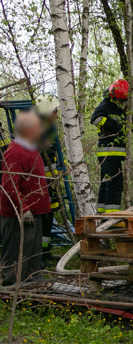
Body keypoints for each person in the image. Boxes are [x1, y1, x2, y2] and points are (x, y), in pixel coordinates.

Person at [1, 111, 50, 285]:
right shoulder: (15, 152)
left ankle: (33, 283)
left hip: (34, 213)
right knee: (16, 253)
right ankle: (10, 290)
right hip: (18, 216)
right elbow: (9, 185)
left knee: (33, 254)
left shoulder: (29, 150)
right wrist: (24, 208)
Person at [90, 79, 128, 213]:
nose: (122, 102)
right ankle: (113, 217)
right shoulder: (105, 105)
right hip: (108, 152)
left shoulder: (117, 107)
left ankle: (102, 212)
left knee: (106, 183)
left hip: (113, 154)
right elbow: (95, 119)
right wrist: (113, 124)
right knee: (115, 184)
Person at [34, 94, 62, 265]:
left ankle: (46, 251)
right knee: (42, 216)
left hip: (50, 181)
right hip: (39, 183)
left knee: (50, 214)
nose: (57, 114)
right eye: (55, 111)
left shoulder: (50, 129)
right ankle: (38, 254)